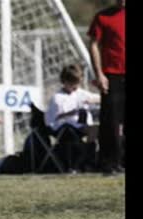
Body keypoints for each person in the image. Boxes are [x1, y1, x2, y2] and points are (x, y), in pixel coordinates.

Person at [88, 0, 125, 174]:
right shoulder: (103, 17)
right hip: (112, 75)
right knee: (110, 120)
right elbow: (94, 44)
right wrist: (99, 74)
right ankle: (109, 163)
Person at [45, 64, 100, 173]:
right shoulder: (58, 97)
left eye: (77, 83)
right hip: (63, 127)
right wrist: (74, 111)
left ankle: (88, 161)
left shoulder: (80, 93)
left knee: (95, 130)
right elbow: (58, 116)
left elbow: (99, 98)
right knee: (68, 130)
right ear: (65, 81)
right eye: (72, 84)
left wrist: (92, 101)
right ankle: (73, 165)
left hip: (80, 126)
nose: (75, 86)